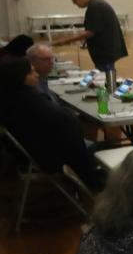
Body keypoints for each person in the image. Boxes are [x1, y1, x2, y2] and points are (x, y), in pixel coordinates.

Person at [0, 57, 103, 191]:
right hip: (50, 158)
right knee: (102, 148)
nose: (36, 74)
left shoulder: (10, 98)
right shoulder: (31, 101)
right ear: (20, 77)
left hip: (31, 153)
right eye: (31, 72)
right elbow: (66, 122)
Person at [54, 0, 128, 72]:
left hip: (105, 54)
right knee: (106, 76)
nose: (74, 3)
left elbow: (91, 32)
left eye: (75, 0)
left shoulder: (95, 6)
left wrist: (66, 40)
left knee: (106, 78)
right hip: (107, 52)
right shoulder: (97, 4)